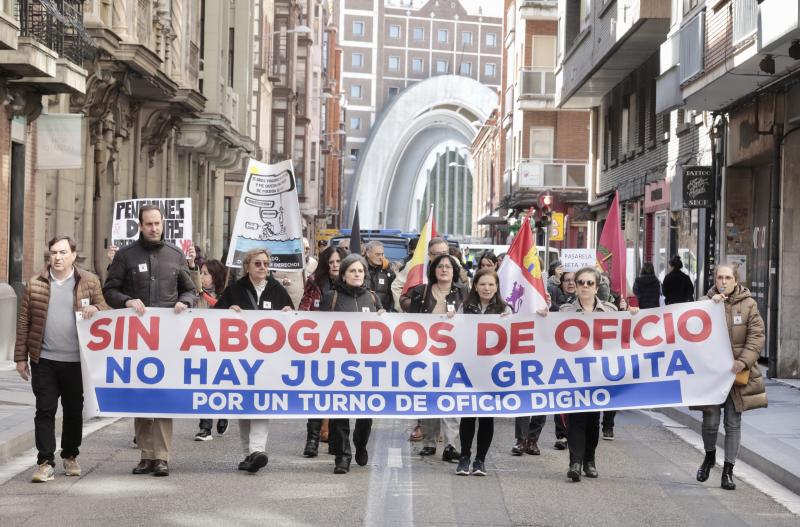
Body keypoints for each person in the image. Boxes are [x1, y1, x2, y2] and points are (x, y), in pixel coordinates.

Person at [104, 205, 195, 477]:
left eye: (157, 223)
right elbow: (109, 290)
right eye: (148, 224)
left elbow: (190, 290)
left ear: (163, 223)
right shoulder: (125, 256)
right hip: (137, 339)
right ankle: (146, 456)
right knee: (141, 397)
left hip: (167, 339)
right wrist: (127, 300)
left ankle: (163, 457)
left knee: (164, 397)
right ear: (140, 226)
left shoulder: (175, 256)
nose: (154, 228)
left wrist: (184, 301)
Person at [15, 235, 109, 483]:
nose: (57, 257)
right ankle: (45, 462)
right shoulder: (35, 283)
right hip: (43, 359)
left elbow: (107, 310)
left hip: (77, 361)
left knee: (73, 410)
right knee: (44, 410)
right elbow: (24, 322)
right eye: (53, 252)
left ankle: (70, 455)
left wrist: (96, 309)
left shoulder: (89, 281)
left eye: (63, 252)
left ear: (73, 255)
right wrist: (20, 358)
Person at [214, 248, 294, 473]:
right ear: (247, 266)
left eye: (266, 264)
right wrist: (227, 310)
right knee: (244, 405)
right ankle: (248, 454)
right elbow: (214, 316)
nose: (263, 268)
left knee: (262, 403)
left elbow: (292, 320)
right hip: (241, 360)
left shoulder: (277, 290)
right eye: (258, 264)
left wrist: (289, 312)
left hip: (268, 361)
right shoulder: (235, 289)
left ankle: (257, 450)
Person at [559, 267, 638, 482]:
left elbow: (626, 336)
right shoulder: (564, 311)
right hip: (574, 375)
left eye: (589, 283)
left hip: (600, 375)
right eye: (581, 282)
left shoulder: (611, 311)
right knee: (576, 418)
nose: (585, 286)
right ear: (575, 286)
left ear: (596, 287)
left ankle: (589, 460)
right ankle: (574, 462)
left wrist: (632, 316)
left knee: (593, 421)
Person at [693, 264, 766, 491]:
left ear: (736, 280)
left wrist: (742, 361)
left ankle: (728, 471)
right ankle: (709, 457)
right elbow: (692, 334)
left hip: (738, 374)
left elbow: (756, 336)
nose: (723, 281)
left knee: (733, 424)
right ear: (714, 280)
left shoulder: (749, 304)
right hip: (713, 375)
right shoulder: (705, 304)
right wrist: (710, 308)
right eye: (719, 277)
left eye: (727, 277)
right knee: (710, 421)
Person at [319, 254, 385, 474]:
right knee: (341, 411)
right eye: (352, 271)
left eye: (360, 271)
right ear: (344, 274)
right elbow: (317, 327)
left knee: (365, 413)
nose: (357, 274)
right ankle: (343, 456)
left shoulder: (373, 298)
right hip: (340, 364)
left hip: (368, 366)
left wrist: (385, 317)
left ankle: (361, 442)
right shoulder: (332, 297)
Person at [402, 252, 468, 462]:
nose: (444, 270)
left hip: (453, 354)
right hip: (426, 353)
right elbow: (411, 322)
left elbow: (474, 320)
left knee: (451, 398)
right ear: (433, 270)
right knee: (429, 398)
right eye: (440, 266)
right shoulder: (421, 292)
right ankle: (429, 442)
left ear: (454, 271)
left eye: (448, 267)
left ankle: (450, 444)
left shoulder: (463, 293)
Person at [456, 268, 515, 476]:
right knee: (468, 415)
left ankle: (480, 460)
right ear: (475, 286)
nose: (487, 288)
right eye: (482, 284)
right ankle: (464, 458)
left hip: (492, 371)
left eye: (491, 284)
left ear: (497, 287)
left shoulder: (505, 309)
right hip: (470, 368)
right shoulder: (466, 307)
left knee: (487, 417)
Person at [298, 245, 347, 456]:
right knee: (317, 393)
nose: (335, 266)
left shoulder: (353, 282)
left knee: (339, 395)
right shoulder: (315, 283)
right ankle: (312, 440)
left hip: (345, 349)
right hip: (318, 346)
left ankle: (336, 440)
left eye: (338, 262)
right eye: (331, 262)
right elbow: (303, 310)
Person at [191, 258, 230, 441]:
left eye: (206, 274)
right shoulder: (195, 296)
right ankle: (205, 428)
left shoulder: (227, 295)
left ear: (216, 276)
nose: (203, 277)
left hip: (222, 348)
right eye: (201, 273)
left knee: (221, 384)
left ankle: (223, 414)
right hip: (201, 347)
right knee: (204, 385)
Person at [391, 237, 450, 312]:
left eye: (445, 253)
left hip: (448, 319)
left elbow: (463, 293)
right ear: (429, 255)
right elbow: (396, 287)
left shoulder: (455, 267)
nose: (442, 257)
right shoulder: (415, 266)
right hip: (421, 318)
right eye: (438, 254)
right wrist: (411, 308)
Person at [273, 237, 318, 309]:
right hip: (289, 307)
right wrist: (283, 282)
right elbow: (274, 280)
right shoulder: (284, 262)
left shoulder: (314, 263)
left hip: (306, 307)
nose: (305, 250)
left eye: (307, 248)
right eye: (302, 248)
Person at [364, 240, 396, 312]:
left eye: (382, 254)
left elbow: (393, 294)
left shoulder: (388, 272)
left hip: (383, 316)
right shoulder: (360, 270)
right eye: (377, 254)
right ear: (368, 254)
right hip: (364, 315)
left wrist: (390, 311)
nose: (381, 257)